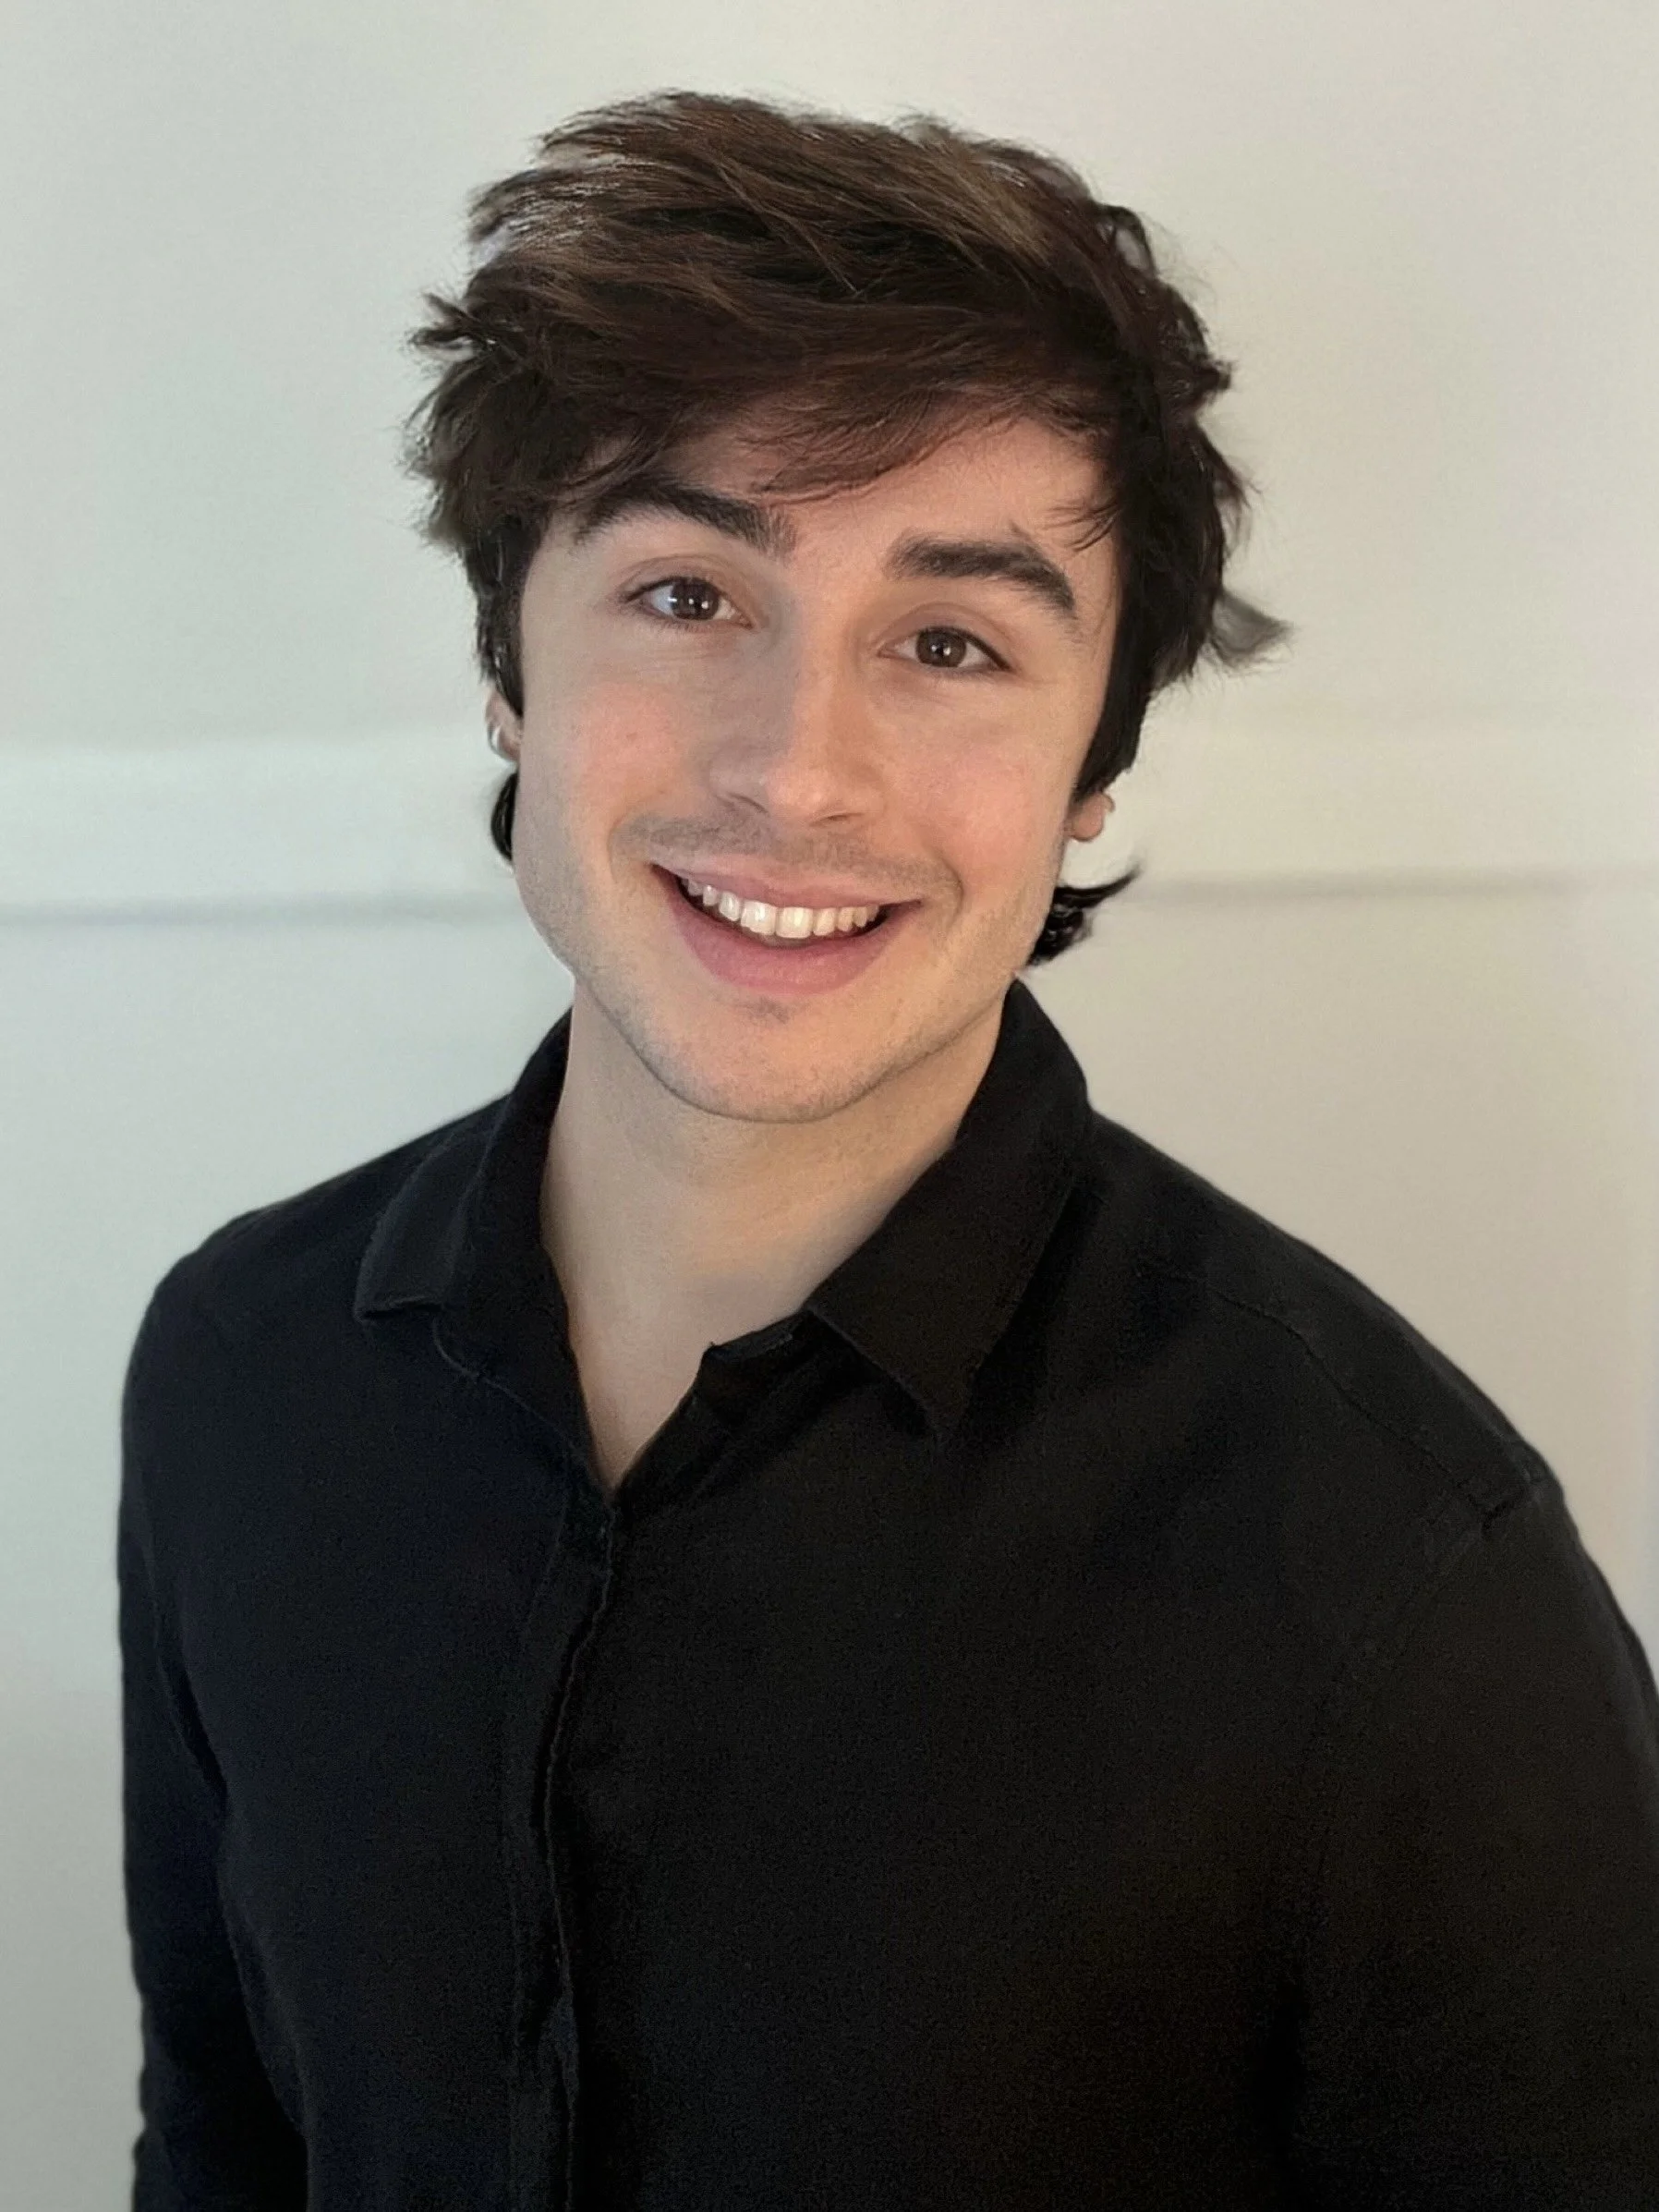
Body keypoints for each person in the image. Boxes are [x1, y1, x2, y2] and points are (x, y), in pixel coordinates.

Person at [117, 88, 1659, 2210]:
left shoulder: (1403, 1580)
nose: (796, 769)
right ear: (509, 664)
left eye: (949, 644)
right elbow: (225, 2138)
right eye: (684, 593)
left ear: (1091, 771)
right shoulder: (239, 1366)